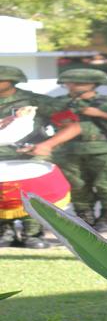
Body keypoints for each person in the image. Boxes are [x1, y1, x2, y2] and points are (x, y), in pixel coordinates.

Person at [44, 68, 107, 232]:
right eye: (70, 82)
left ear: (93, 84)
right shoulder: (57, 103)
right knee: (77, 186)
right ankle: (84, 218)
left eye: (79, 83)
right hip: (68, 151)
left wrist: (101, 114)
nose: (72, 86)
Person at [0, 66, 81, 248]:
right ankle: (4, 233)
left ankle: (33, 234)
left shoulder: (37, 101)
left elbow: (73, 126)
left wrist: (47, 145)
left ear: (11, 81)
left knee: (34, 197)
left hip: (29, 160)